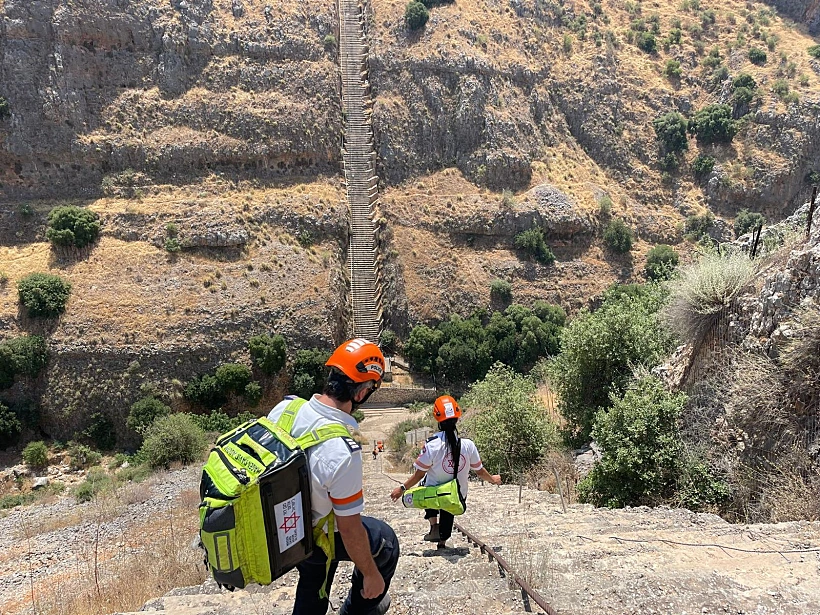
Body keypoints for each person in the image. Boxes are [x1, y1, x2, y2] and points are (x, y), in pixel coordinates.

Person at [268, 338, 398, 615]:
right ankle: (358, 609)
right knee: (384, 541)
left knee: (316, 573)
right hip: (312, 536)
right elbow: (350, 530)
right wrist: (372, 575)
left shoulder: (285, 409)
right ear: (361, 393)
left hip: (282, 528)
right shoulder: (343, 451)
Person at [390, 395, 501, 549]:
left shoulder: (432, 445)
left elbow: (419, 474)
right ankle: (442, 540)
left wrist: (402, 489)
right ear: (457, 417)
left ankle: (434, 524)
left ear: (437, 418)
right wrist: (493, 480)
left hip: (432, 496)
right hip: (456, 495)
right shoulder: (468, 445)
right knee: (449, 500)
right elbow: (480, 471)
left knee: (426, 485)